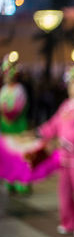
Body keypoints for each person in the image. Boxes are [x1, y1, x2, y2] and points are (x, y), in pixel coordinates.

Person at [36, 62, 74, 237]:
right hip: (63, 157)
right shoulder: (65, 105)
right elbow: (54, 123)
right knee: (64, 192)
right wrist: (41, 132)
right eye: (71, 84)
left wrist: (68, 140)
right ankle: (68, 221)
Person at [0, 53, 31, 195]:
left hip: (17, 127)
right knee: (8, 156)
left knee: (20, 156)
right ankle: (10, 181)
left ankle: (22, 184)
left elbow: (19, 107)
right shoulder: (4, 90)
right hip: (6, 128)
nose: (7, 77)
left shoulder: (20, 90)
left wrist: (8, 114)